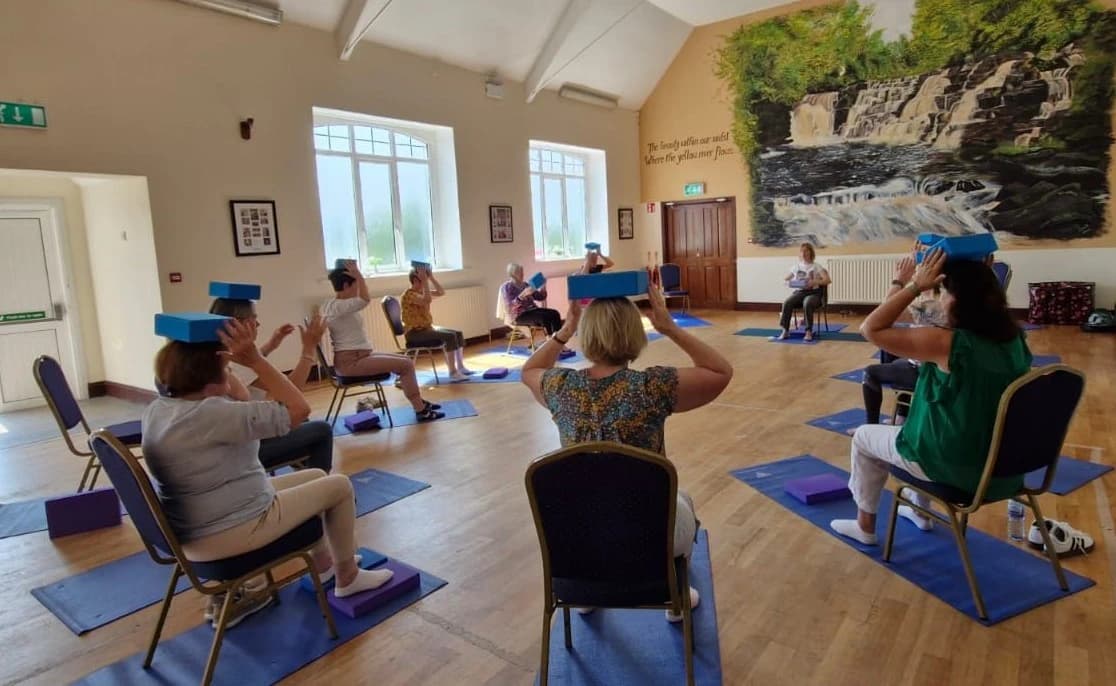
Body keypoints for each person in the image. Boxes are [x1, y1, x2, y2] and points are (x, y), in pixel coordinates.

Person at [142, 319, 394, 628]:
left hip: (202, 522)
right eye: (227, 369)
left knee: (316, 476)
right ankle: (348, 578)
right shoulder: (211, 414)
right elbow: (299, 409)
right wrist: (256, 360)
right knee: (340, 486)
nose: (230, 373)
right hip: (228, 529)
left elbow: (247, 401)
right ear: (212, 380)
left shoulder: (161, 409)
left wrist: (242, 364)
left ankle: (325, 564)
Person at [521, 286, 733, 621]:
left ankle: (586, 591)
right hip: (647, 540)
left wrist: (565, 330)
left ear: (587, 335)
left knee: (598, 505)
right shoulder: (653, 388)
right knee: (683, 500)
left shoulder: (559, 387)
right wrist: (669, 327)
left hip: (576, 541)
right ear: (635, 334)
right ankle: (673, 599)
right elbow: (721, 372)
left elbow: (528, 370)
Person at [830, 249, 1032, 545]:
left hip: (958, 467)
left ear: (960, 300)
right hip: (1004, 467)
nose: (940, 300)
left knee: (864, 437)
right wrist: (981, 275)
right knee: (921, 425)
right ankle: (919, 511)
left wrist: (913, 284)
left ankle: (865, 527)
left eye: (945, 293)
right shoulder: (1015, 339)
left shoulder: (949, 343)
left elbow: (870, 328)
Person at [208, 297, 334, 472]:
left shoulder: (221, 353)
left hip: (234, 441)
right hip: (248, 450)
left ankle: (304, 471)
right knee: (322, 430)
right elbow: (293, 391)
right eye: (254, 318)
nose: (258, 324)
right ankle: (317, 480)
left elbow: (249, 366)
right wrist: (309, 349)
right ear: (238, 324)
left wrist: (272, 344)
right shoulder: (235, 362)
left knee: (301, 422)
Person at [321, 259, 443, 421]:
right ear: (345, 286)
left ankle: (419, 402)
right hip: (351, 363)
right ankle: (420, 410)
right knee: (406, 365)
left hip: (360, 356)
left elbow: (361, 299)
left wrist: (356, 276)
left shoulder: (339, 305)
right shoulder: (338, 306)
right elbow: (365, 299)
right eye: (356, 285)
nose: (358, 289)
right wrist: (359, 276)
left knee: (406, 361)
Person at [856, 260, 947, 429]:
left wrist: (899, 281)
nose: (916, 272)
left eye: (919, 269)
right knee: (888, 350)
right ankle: (902, 415)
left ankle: (871, 428)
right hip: (935, 365)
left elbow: (880, 316)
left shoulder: (932, 305)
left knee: (870, 373)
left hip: (928, 372)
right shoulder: (943, 300)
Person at [400, 266, 474, 382]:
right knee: (450, 337)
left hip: (426, 329)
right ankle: (453, 372)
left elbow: (441, 292)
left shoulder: (421, 292)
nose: (425, 282)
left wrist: (431, 277)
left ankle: (460, 367)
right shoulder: (409, 295)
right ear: (415, 280)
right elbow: (427, 300)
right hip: (414, 333)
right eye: (422, 279)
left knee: (458, 333)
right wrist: (425, 281)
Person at [778, 243, 831, 341]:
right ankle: (785, 330)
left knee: (807, 302)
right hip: (800, 292)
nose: (804, 253)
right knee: (787, 302)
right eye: (802, 251)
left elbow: (827, 280)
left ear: (811, 253)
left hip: (814, 293)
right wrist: (793, 283)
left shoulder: (817, 266)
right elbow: (785, 280)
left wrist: (814, 281)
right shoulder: (796, 267)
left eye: (806, 251)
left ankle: (808, 331)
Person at [500, 262, 562, 336]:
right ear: (513, 274)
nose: (522, 274)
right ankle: (549, 338)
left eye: (522, 272)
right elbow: (509, 307)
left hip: (532, 310)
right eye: (520, 272)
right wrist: (522, 296)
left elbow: (541, 297)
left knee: (555, 313)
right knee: (544, 317)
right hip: (519, 315)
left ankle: (558, 338)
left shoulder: (525, 284)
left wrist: (543, 287)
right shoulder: (507, 287)